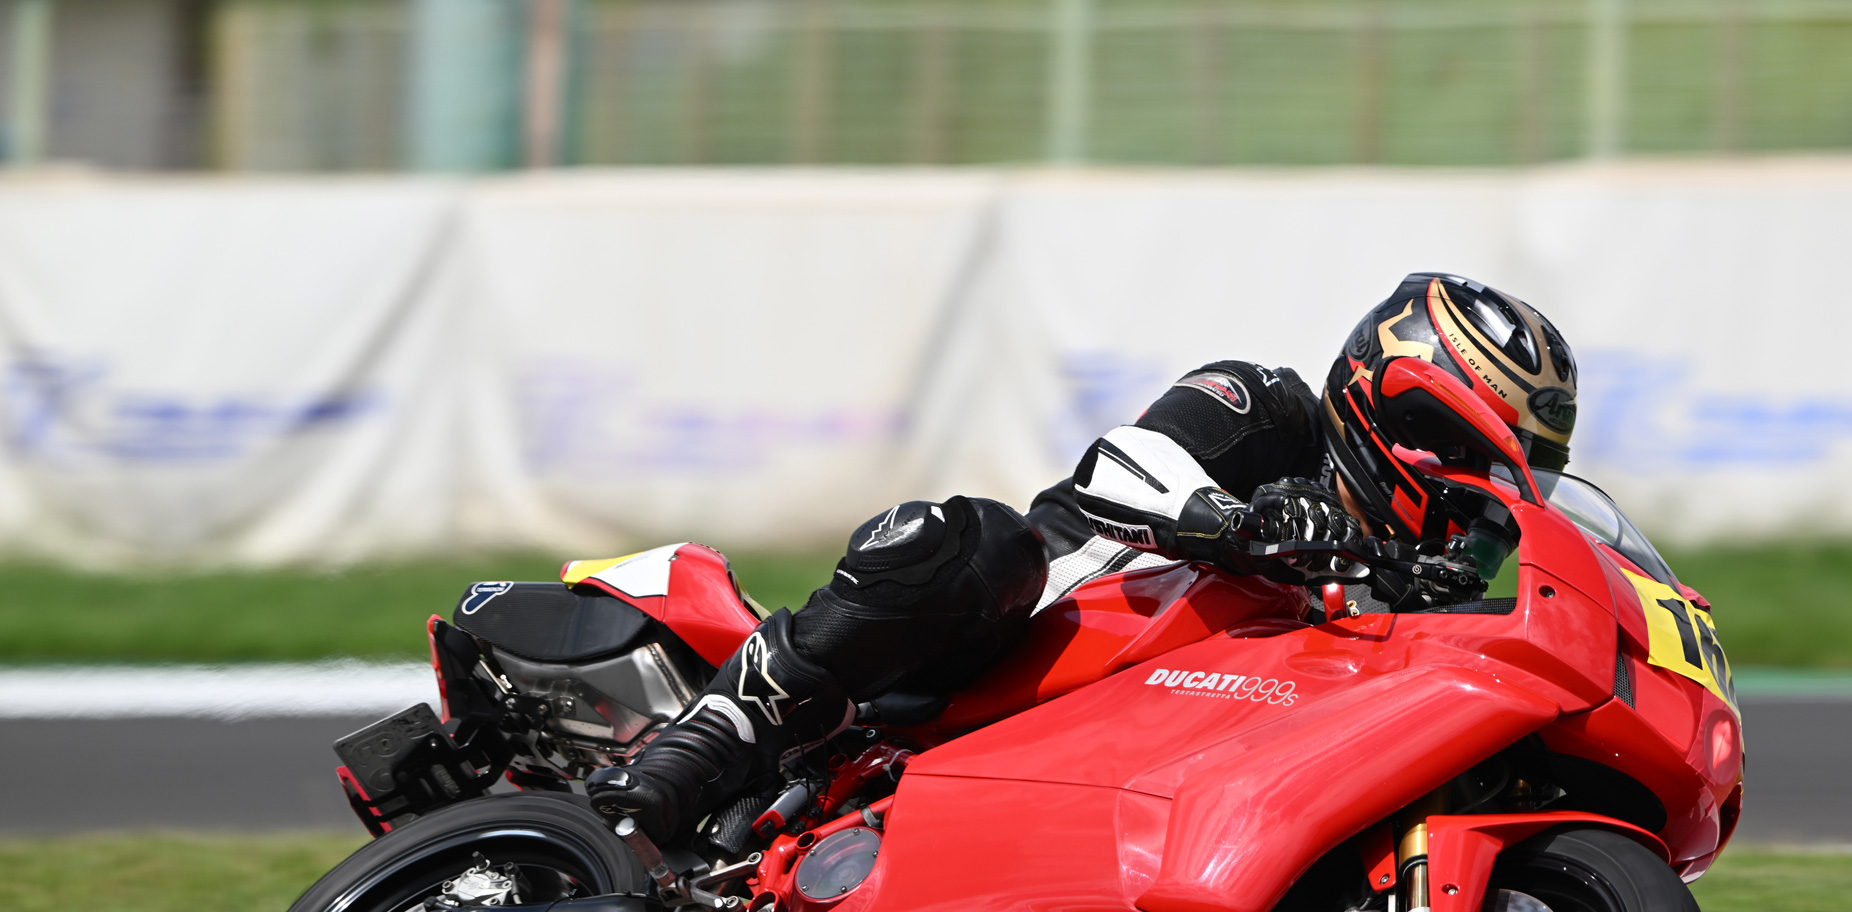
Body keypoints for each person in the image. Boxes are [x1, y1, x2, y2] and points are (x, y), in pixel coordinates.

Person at [585, 272, 1579, 850]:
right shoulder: (1266, 409)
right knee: (979, 541)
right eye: (1454, 454)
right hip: (1010, 647)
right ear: (1390, 408)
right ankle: (713, 735)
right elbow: (1117, 468)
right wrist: (1241, 526)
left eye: (1498, 480)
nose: (1468, 497)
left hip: (1124, 775)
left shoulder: (1407, 598)